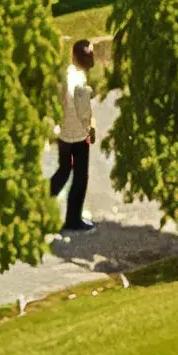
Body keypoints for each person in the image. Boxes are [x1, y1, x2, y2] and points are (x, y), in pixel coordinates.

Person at [50, 37, 112, 231]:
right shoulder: (80, 84)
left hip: (64, 135)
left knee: (63, 172)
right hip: (78, 138)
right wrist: (91, 131)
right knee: (79, 178)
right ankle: (73, 219)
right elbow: (85, 113)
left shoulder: (68, 74)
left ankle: (40, 206)